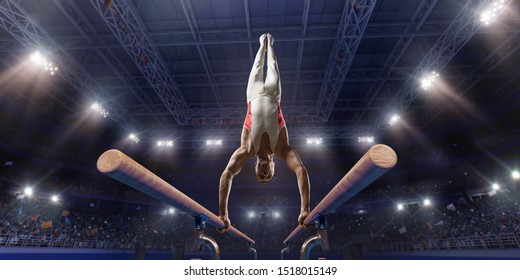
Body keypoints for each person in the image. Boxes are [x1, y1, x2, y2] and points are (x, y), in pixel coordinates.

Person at [218, 33, 310, 232]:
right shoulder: (282, 148)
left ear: (255, 168)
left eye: (261, 176)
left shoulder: (247, 149)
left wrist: (223, 213)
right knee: (273, 65)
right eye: (268, 176)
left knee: (258, 65)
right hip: (274, 95)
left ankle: (262, 44)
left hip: (252, 95)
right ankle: (270, 44)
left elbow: (227, 174)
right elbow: (300, 170)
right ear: (274, 167)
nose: (265, 173)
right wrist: (305, 208)